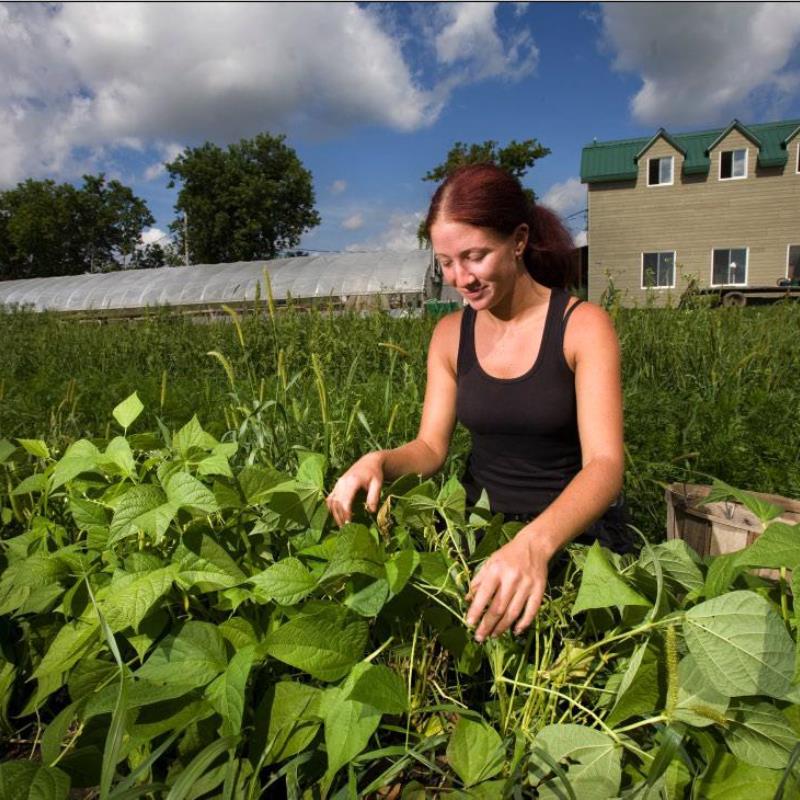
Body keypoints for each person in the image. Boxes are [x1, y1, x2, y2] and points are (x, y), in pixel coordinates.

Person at [326, 163, 630, 644]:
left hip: (569, 534)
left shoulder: (582, 326)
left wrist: (535, 544)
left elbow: (606, 464)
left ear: (519, 240)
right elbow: (430, 447)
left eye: (474, 256)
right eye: (445, 262)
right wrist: (379, 461)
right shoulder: (449, 335)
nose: (460, 278)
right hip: (478, 530)